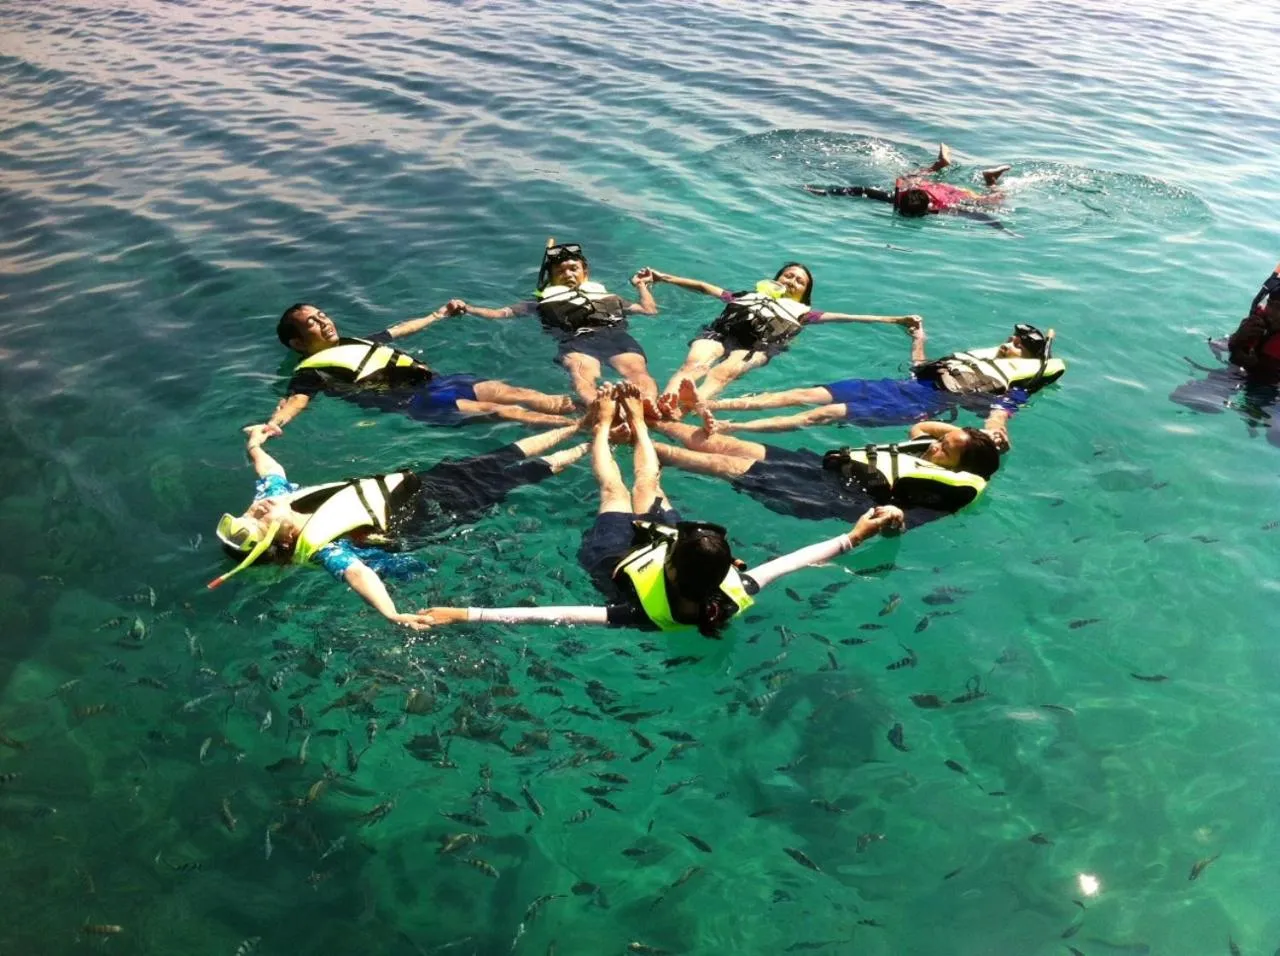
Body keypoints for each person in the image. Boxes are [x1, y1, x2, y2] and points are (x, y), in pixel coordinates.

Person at [417, 385, 907, 635]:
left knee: (613, 490)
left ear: (674, 564)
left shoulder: (641, 614)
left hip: (615, 562)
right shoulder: (730, 596)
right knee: (649, 481)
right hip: (667, 554)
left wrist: (464, 612)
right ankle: (637, 425)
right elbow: (793, 561)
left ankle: (606, 427)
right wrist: (856, 537)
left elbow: (555, 613)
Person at [209, 421, 590, 629]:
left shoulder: (275, 499)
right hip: (432, 514)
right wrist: (390, 613)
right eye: (260, 518)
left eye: (249, 511)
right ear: (282, 537)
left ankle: (580, 425)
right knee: (514, 478)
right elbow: (359, 575)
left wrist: (256, 444)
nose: (257, 507)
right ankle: (592, 444)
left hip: (420, 484)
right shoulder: (324, 547)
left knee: (498, 455)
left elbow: (270, 470)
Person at [253, 302, 578, 441]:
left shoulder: (359, 342)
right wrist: (273, 425)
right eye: (312, 321)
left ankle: (594, 406)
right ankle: (584, 426)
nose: (324, 320)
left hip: (442, 382)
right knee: (502, 410)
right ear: (296, 343)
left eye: (322, 314)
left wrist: (436, 315)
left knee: (522, 394)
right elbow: (296, 401)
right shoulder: (312, 373)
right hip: (416, 404)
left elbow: (400, 330)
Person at [647, 406, 1009, 530]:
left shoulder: (956, 487)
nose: (936, 445)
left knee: (725, 462)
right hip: (826, 467)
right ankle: (654, 420)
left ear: (963, 467)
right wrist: (966, 436)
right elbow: (923, 429)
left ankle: (644, 444)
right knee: (729, 443)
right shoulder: (927, 448)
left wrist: (896, 517)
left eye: (945, 450)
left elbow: (911, 518)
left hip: (836, 495)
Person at [639, 261, 920, 411]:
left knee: (725, 372)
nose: (792, 281)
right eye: (788, 275)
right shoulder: (746, 295)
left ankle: (687, 407)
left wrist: (895, 319)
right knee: (694, 365)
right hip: (721, 333)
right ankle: (665, 401)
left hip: (757, 346)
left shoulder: (804, 313)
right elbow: (703, 287)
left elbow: (850, 317)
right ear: (776, 279)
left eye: (799, 281)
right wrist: (663, 277)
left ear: (804, 293)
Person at [701, 321, 1062, 432]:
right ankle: (710, 403)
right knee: (804, 393)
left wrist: (993, 436)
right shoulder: (975, 362)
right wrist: (919, 339)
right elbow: (921, 365)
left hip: (919, 405)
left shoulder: (1014, 386)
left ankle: (729, 426)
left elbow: (1000, 414)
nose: (1007, 344)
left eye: (1016, 345)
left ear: (1029, 359)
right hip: (898, 386)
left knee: (820, 415)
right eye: (1009, 338)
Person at [444, 240, 660, 404]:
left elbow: (649, 310)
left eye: (573, 269)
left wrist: (641, 285)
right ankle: (598, 409)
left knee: (637, 372)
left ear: (585, 272)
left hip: (615, 336)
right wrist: (468, 308)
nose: (567, 274)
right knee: (582, 375)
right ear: (551, 278)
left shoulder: (610, 297)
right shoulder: (537, 303)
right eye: (560, 271)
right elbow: (500, 314)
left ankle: (648, 406)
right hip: (576, 341)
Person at [1169, 263, 1280, 444]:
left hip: (1274, 390)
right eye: (1272, 305)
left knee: (1277, 435)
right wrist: (1237, 342)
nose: (1273, 314)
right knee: (1187, 397)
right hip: (1235, 374)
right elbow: (1222, 348)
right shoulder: (1255, 324)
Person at [805, 143, 1012, 230]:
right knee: (995, 201)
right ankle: (985, 177)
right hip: (933, 189)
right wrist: (1003, 230)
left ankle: (989, 178)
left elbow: (861, 191)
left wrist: (827, 192)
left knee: (994, 201)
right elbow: (980, 217)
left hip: (944, 192)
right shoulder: (935, 209)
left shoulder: (936, 208)